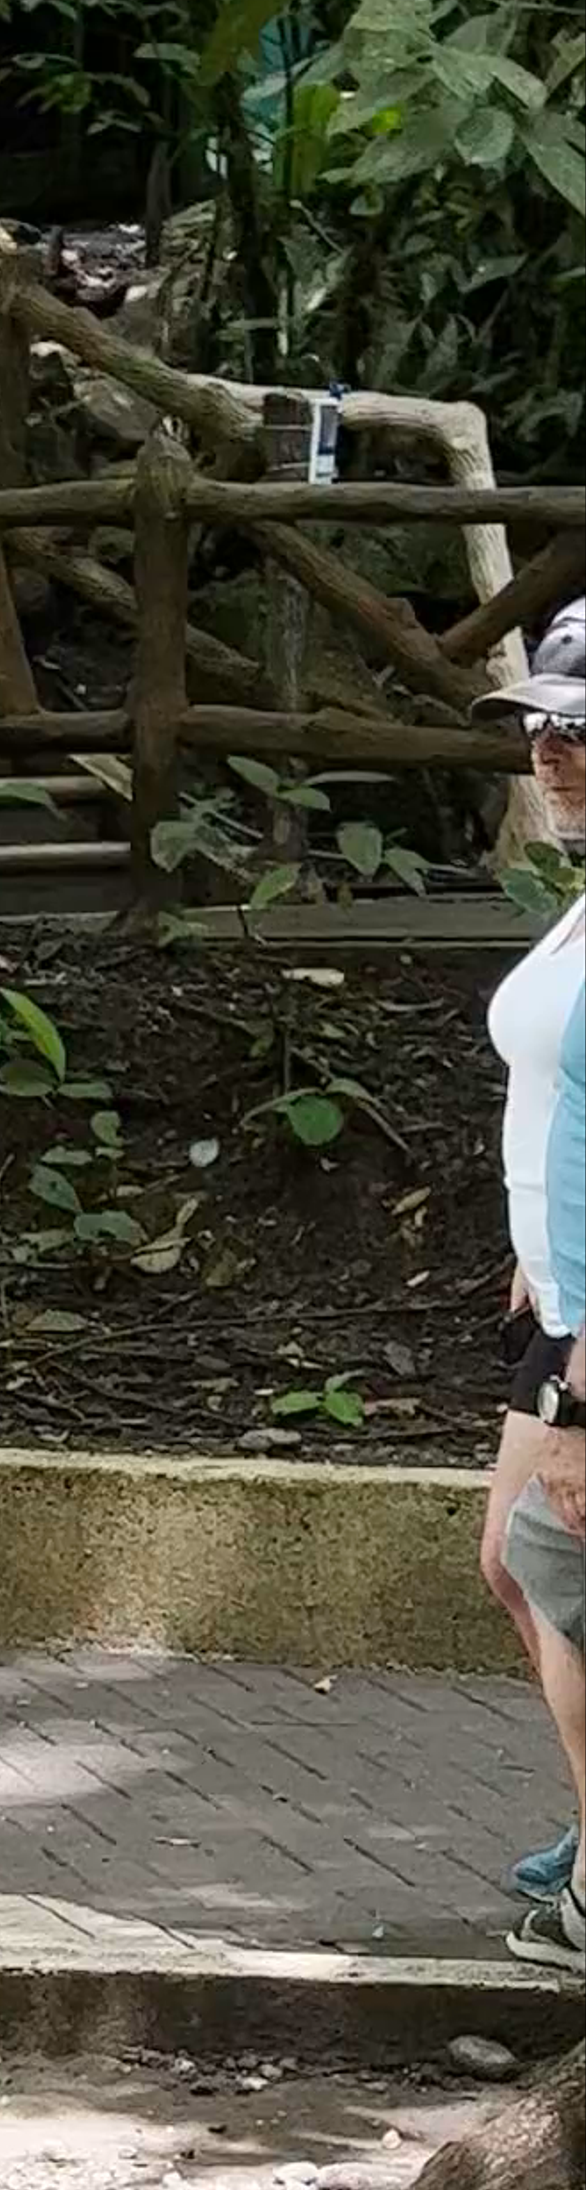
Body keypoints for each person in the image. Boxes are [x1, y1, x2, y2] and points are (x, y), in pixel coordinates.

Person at [478, 602, 586, 1955]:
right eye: (544, 728)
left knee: (553, 1558)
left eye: (583, 729)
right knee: (518, 1563)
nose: (554, 754)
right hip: (555, 1300)